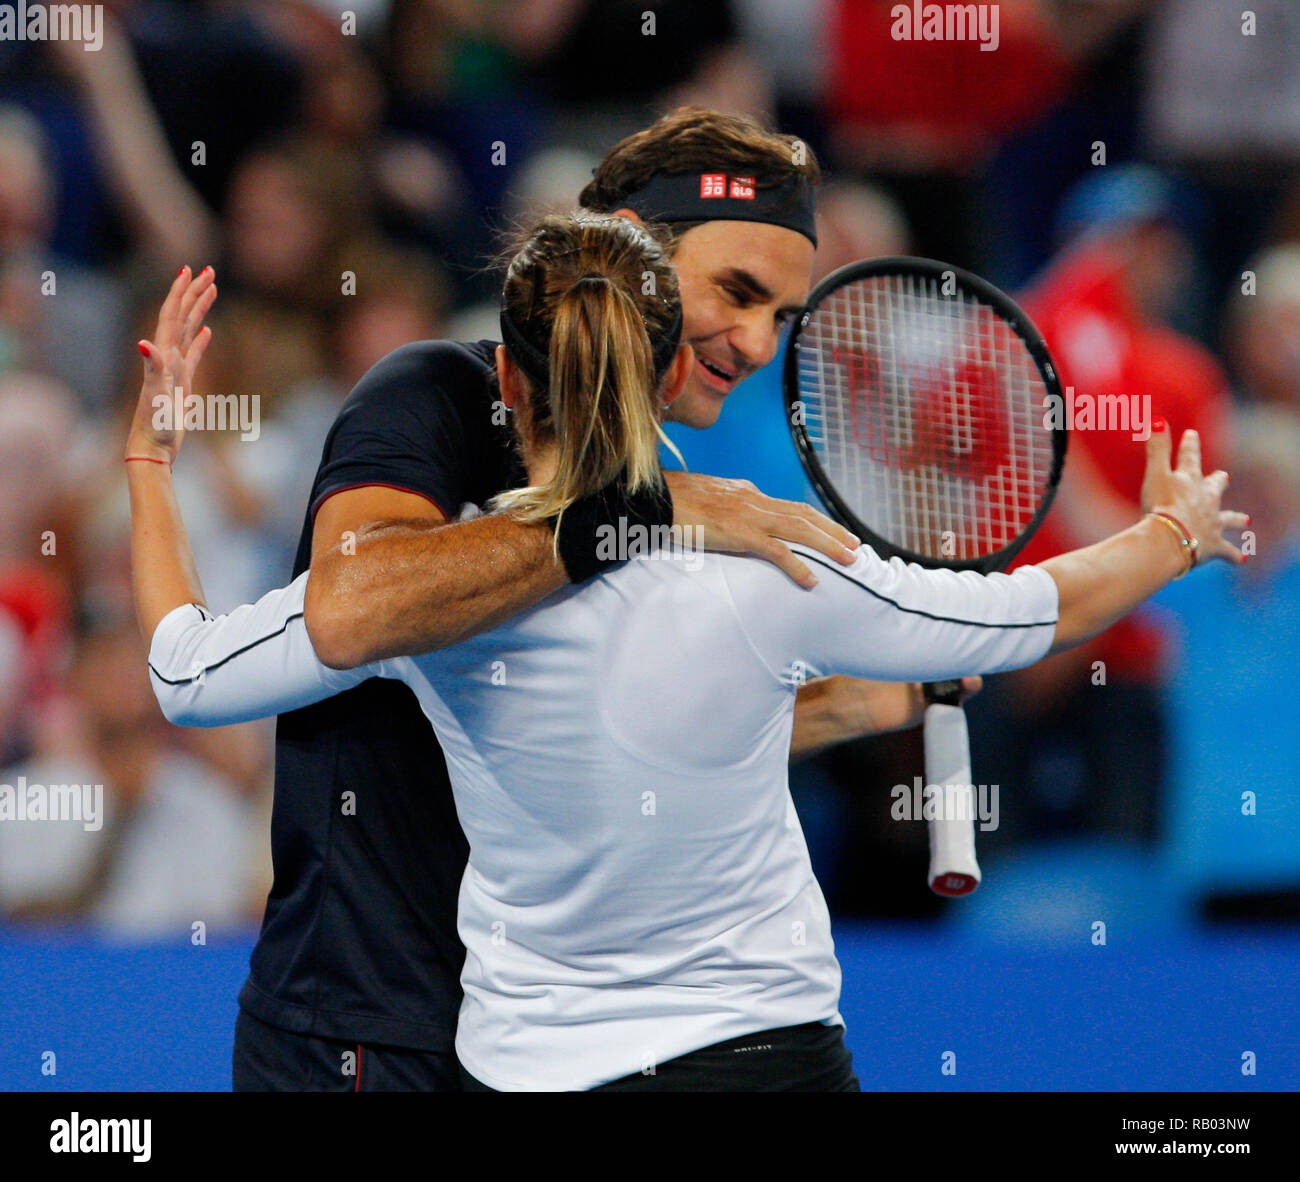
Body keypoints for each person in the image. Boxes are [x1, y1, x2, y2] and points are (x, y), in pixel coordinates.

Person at [132, 211, 1246, 1091]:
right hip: (767, 1056)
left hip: (539, 1072)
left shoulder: (435, 608)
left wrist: (149, 466)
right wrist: (1170, 537)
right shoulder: (778, 564)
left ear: (508, 383)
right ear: (669, 375)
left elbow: (185, 671)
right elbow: (1028, 611)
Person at [132, 107, 962, 1092]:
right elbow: (351, 609)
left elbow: (612, 743)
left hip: (540, 1043)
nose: (752, 343)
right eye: (733, 293)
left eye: (780, 315)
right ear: (624, 261)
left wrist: (860, 702)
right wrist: (634, 510)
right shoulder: (433, 394)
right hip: (366, 1032)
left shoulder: (682, 480)